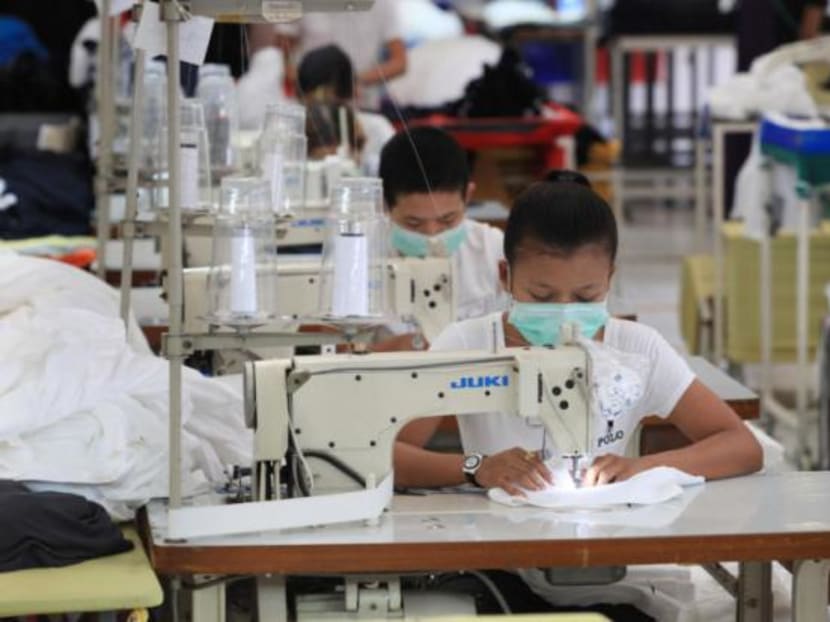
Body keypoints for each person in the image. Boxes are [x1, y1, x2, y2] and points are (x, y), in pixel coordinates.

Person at [395, 180, 763, 495]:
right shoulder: (465, 344)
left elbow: (741, 446)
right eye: (542, 296)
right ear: (505, 275)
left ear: (610, 277)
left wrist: (642, 467)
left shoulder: (637, 348)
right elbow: (387, 454)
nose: (565, 311)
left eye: (586, 297)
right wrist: (476, 467)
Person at [380, 127, 507, 330]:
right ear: (385, 204)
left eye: (447, 220)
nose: (432, 234)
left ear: (468, 196)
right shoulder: (362, 258)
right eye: (413, 223)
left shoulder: (492, 250)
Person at [275, 0, 406, 109]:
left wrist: (352, 82)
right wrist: (307, 86)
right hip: (308, 106)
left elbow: (400, 63)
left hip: (362, 107)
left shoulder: (385, 4)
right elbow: (282, 55)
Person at [297, 44, 394, 176]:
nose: (321, 115)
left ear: (354, 91)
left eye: (330, 104)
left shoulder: (376, 129)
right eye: (313, 106)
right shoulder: (293, 135)